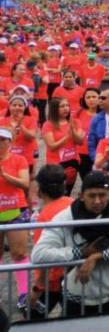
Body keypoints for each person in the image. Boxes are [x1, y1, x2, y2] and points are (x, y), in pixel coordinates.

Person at [31, 171, 109, 316]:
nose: (97, 201)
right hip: (79, 300)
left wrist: (97, 256)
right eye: (92, 195)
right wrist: (81, 253)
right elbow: (39, 254)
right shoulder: (65, 217)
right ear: (81, 196)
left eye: (102, 195)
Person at [27, 165, 73, 319]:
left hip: (53, 282)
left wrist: (37, 289)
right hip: (71, 274)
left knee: (32, 318)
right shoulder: (73, 204)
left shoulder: (45, 217)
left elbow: (44, 256)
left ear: (40, 190)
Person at [0, 127, 31, 311]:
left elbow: (25, 183)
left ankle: (24, 295)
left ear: (10, 142)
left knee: (19, 254)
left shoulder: (19, 159)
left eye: (3, 140)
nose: (0, 143)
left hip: (15, 211)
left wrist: (5, 176)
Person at [41, 97, 84, 195]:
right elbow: (52, 146)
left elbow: (80, 142)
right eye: (62, 106)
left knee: (67, 191)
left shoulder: (76, 122)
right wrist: (67, 137)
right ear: (54, 109)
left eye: (67, 106)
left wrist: (73, 130)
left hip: (72, 161)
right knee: (56, 192)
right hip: (56, 163)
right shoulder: (48, 125)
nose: (66, 108)